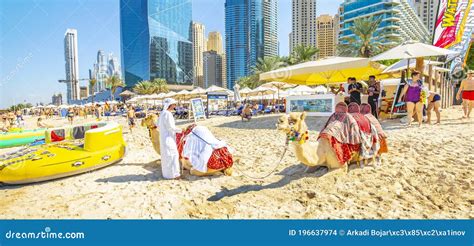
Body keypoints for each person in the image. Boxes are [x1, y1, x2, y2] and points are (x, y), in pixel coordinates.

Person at [158, 98, 183, 180]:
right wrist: (181, 130)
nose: (175, 106)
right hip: (168, 138)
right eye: (174, 104)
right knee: (173, 155)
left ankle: (167, 174)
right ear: (170, 105)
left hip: (163, 138)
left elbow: (158, 125)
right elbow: (171, 127)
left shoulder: (162, 113)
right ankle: (175, 174)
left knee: (166, 156)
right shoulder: (168, 114)